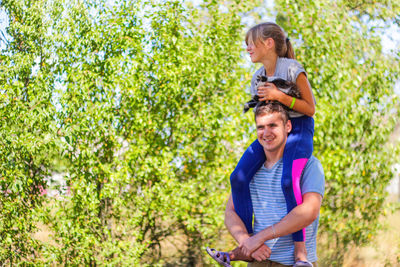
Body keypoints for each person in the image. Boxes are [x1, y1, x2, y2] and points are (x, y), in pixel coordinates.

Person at [230, 22, 316, 265]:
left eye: (251, 43)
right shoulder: (257, 77)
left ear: (268, 44)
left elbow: (310, 109)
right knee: (238, 177)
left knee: (289, 181)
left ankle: (301, 255)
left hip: (298, 129)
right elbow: (265, 115)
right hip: (274, 131)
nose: (247, 48)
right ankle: (247, 244)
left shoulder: (292, 69)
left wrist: (279, 96)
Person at [206, 102, 324, 267]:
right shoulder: (250, 170)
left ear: (288, 126)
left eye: (272, 125)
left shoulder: (307, 165)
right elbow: (230, 212)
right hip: (258, 262)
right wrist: (247, 242)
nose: (266, 133)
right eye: (260, 127)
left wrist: (260, 237)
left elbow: (309, 211)